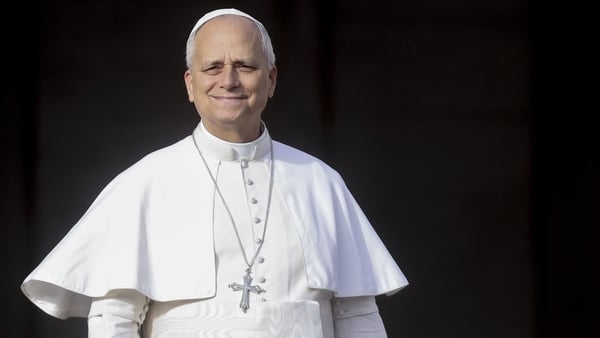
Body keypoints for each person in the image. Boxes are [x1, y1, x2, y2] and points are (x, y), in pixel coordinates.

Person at [21, 8, 408, 338]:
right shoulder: (145, 182)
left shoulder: (321, 182)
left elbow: (357, 316)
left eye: (245, 65)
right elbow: (113, 319)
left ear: (271, 80)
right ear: (191, 84)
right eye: (213, 67)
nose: (229, 80)